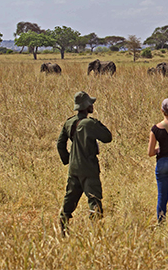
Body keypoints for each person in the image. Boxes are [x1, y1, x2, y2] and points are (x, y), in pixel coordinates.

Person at [57, 91, 112, 234]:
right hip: (89, 168)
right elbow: (107, 137)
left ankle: (63, 230)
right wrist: (97, 124)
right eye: (91, 104)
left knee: (69, 199)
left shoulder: (69, 123)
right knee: (94, 200)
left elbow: (60, 144)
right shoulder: (90, 123)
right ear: (87, 107)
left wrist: (68, 160)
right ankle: (96, 232)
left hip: (74, 168)